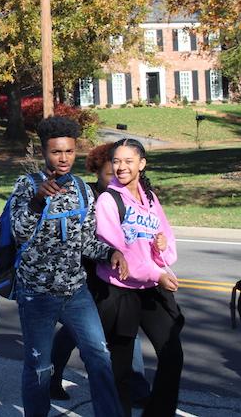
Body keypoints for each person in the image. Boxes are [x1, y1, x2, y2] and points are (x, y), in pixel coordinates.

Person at [9, 117, 125, 417]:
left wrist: (110, 252)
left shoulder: (81, 189)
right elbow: (18, 233)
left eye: (70, 152)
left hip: (76, 290)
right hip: (37, 293)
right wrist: (36, 203)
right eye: (56, 152)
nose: (63, 158)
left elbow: (86, 242)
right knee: (39, 366)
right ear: (44, 152)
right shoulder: (26, 186)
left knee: (99, 355)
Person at [50, 144, 151, 406]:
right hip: (88, 276)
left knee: (126, 328)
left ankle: (137, 387)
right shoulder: (89, 196)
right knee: (76, 332)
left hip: (118, 276)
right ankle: (52, 375)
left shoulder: (128, 196)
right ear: (98, 172)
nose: (117, 176)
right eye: (110, 173)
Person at [95, 138, 183, 417]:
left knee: (172, 355)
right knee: (120, 367)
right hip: (119, 291)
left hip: (151, 287)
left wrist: (162, 249)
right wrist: (157, 273)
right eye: (116, 161)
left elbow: (166, 239)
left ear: (142, 164)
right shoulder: (108, 200)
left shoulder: (150, 198)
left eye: (128, 161)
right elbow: (119, 253)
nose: (121, 167)